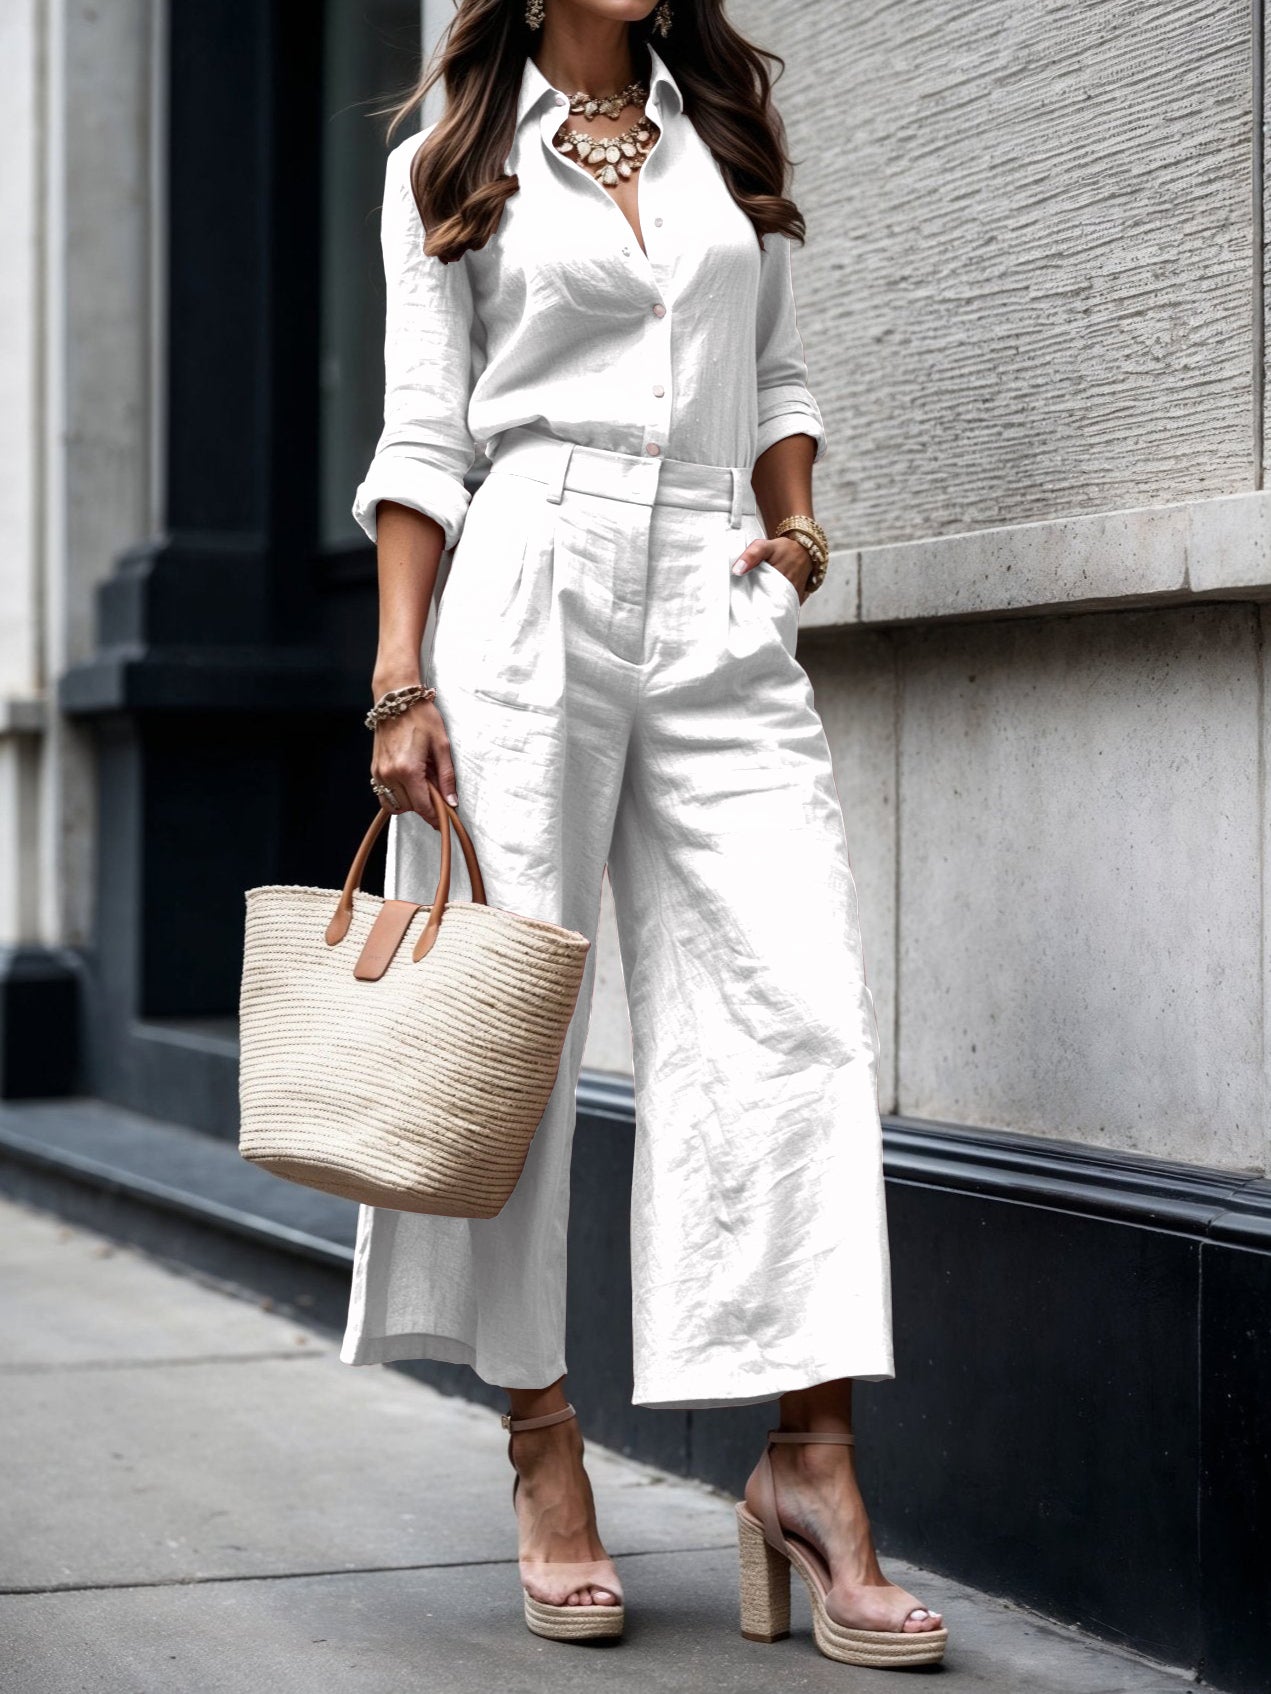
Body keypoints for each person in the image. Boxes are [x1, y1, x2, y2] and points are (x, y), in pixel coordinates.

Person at [340, 0, 946, 1666]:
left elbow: (782, 372)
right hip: (528, 566)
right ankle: (545, 1449)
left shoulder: (720, 134)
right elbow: (420, 433)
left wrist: (797, 527)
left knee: (794, 998)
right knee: (510, 1023)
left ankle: (809, 1464)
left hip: (713, 582)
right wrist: (401, 682)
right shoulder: (447, 160)